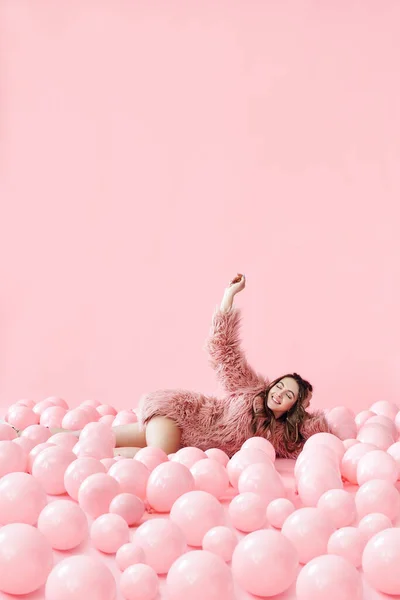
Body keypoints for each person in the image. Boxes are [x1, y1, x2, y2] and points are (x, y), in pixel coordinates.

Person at [113, 273, 332, 459]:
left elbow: (317, 439)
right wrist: (229, 295)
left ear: (293, 406)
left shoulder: (282, 435)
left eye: (289, 395)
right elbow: (222, 349)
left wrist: (305, 408)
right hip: (178, 417)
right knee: (156, 459)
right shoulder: (250, 388)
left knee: (102, 442)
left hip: (182, 444)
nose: (279, 394)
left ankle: (84, 447)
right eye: (279, 386)